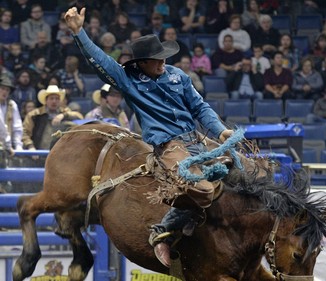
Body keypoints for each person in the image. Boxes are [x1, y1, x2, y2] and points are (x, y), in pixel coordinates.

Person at [65, 6, 234, 268]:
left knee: (241, 168)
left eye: (163, 57)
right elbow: (100, 60)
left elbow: (200, 107)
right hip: (170, 145)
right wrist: (79, 32)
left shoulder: (178, 75)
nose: (162, 62)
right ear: (141, 63)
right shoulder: (128, 79)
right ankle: (162, 230)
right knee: (201, 187)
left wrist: (220, 129)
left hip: (198, 139)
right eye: (156, 59)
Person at [22, 84, 83, 150]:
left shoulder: (64, 111)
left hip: (59, 152)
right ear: (46, 101)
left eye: (57, 99)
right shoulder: (34, 114)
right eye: (51, 98)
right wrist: (30, 146)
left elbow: (79, 116)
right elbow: (25, 133)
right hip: (38, 152)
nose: (54, 101)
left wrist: (63, 115)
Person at [0, 76, 23, 155]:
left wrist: (18, 146)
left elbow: (17, 127)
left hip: (7, 148)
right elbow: (1, 127)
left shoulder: (12, 105)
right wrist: (8, 145)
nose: (5, 92)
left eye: (7, 90)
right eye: (2, 88)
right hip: (7, 146)